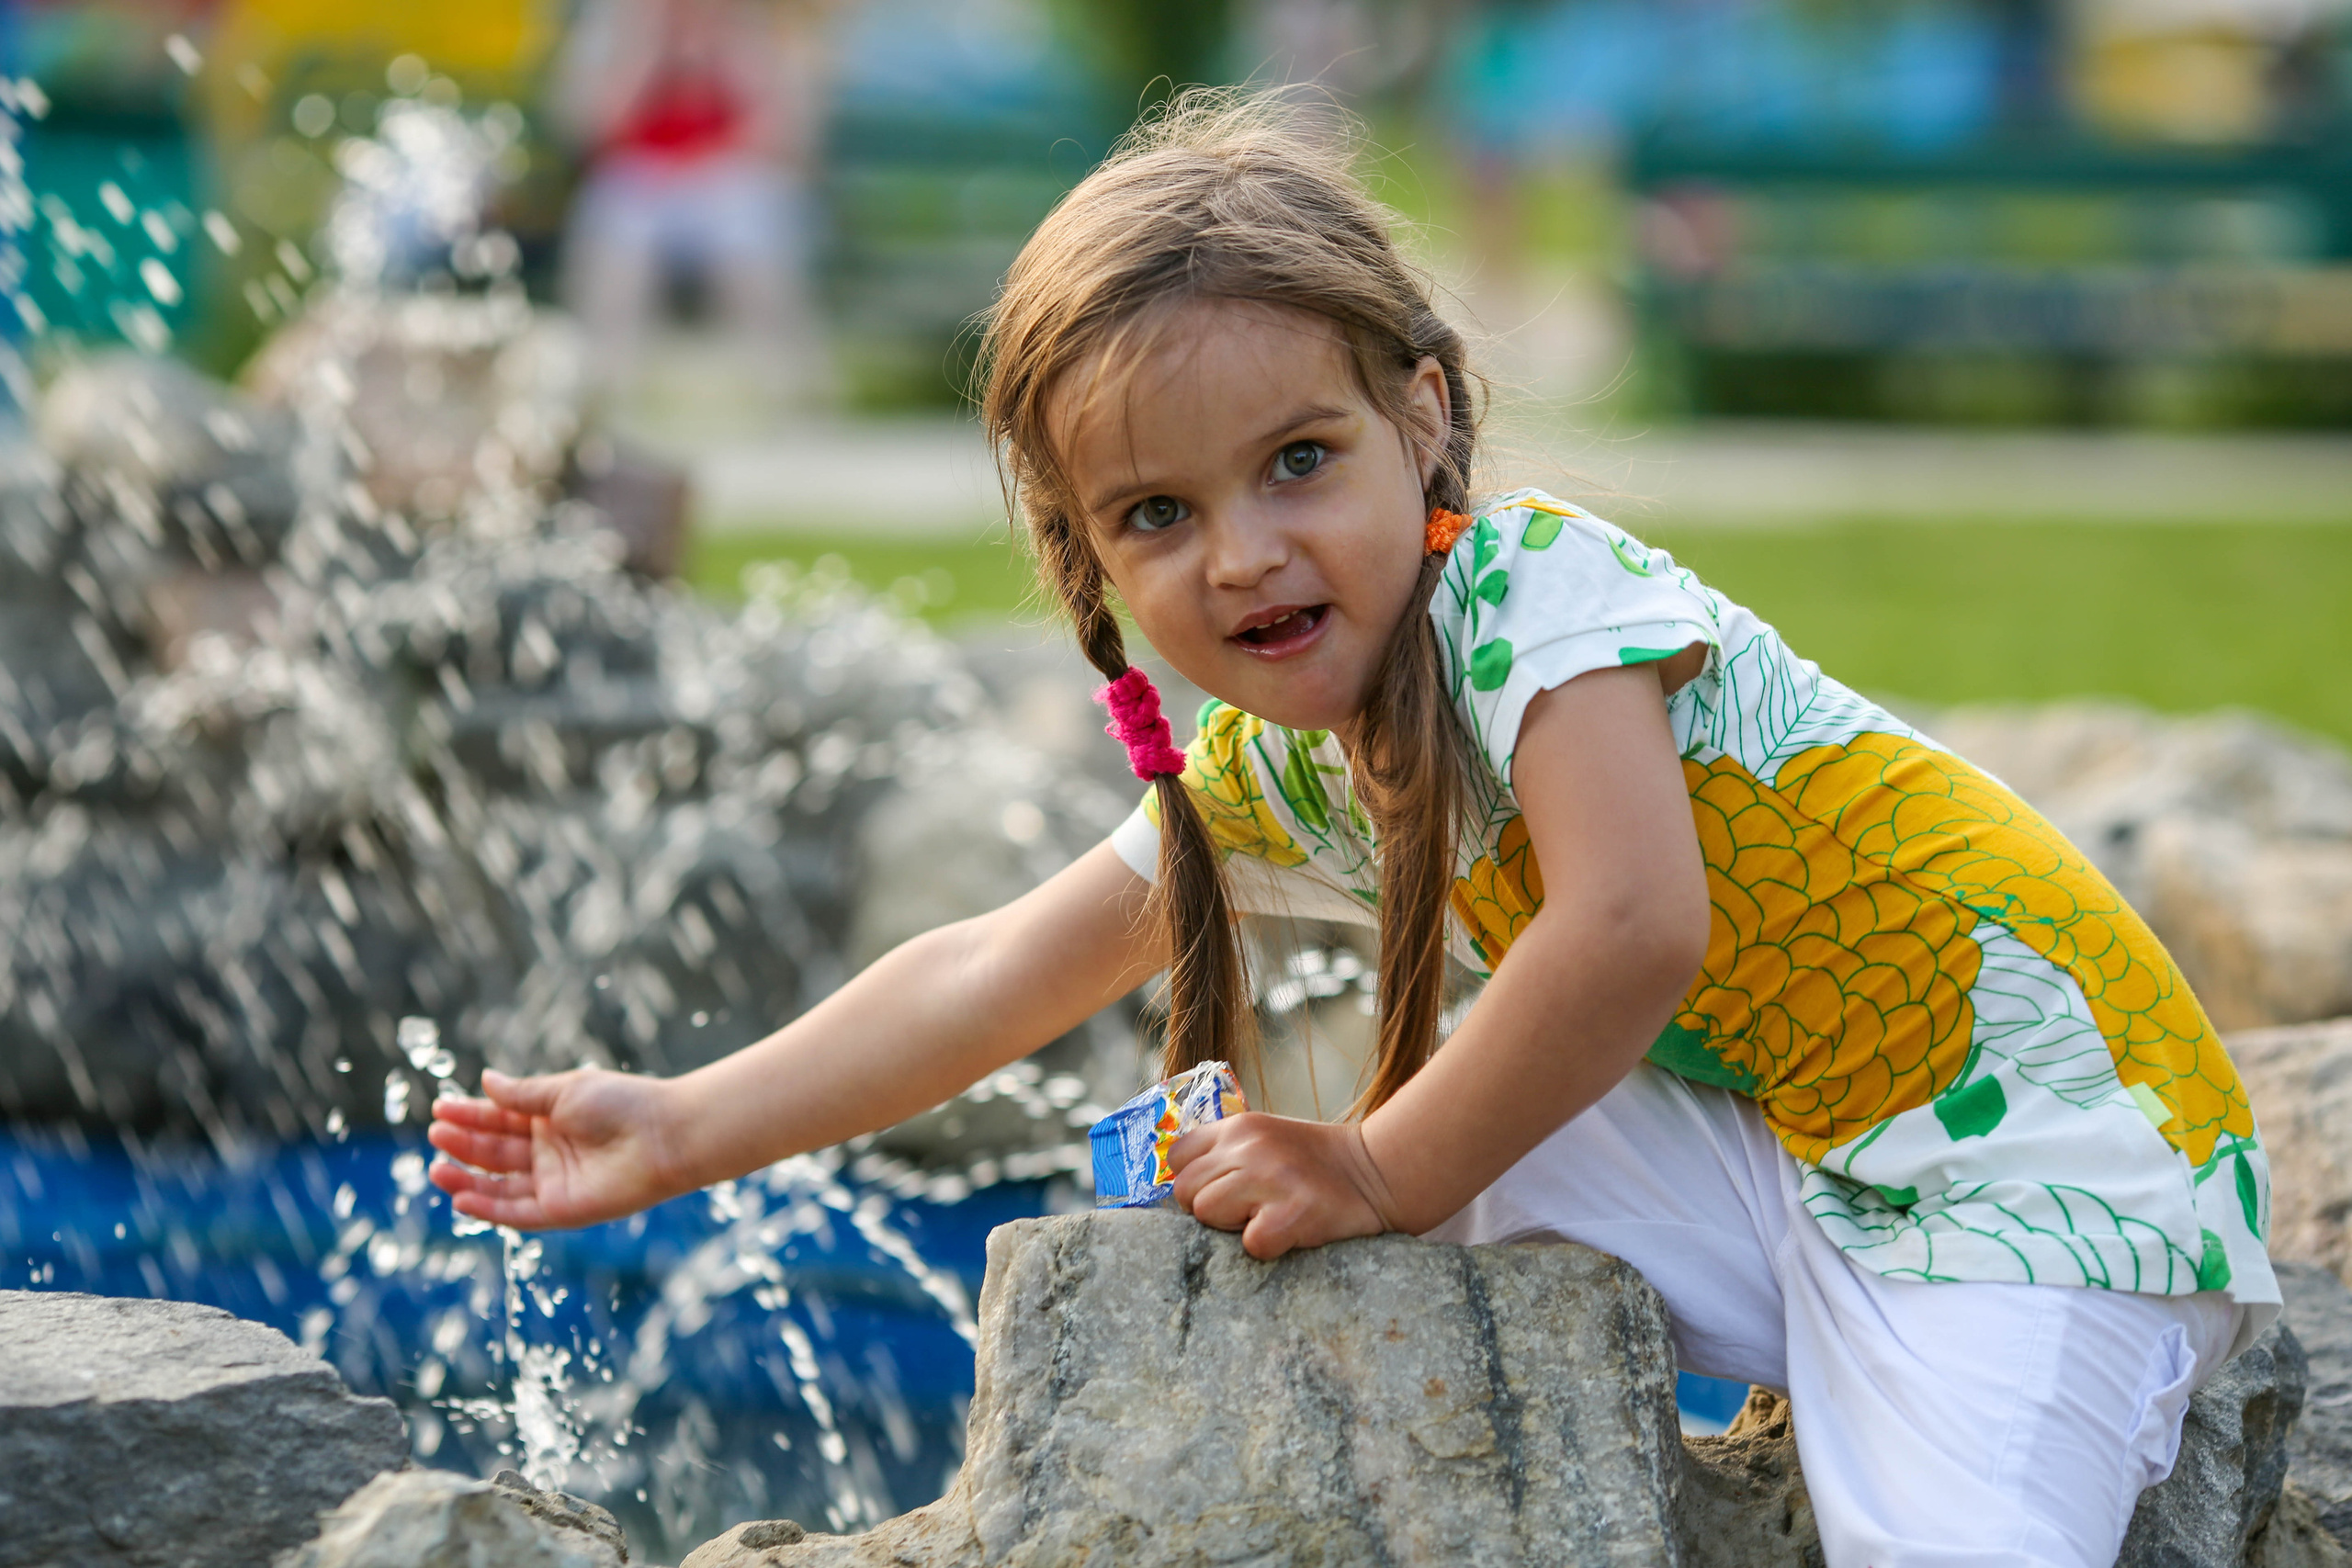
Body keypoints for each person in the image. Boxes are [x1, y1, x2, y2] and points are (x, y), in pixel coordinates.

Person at [430, 92, 2278, 1568]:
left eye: (1296, 461)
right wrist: (681, 1123)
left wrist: (1378, 1164)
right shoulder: (1293, 756)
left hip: (2034, 1159)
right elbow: (998, 962)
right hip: (1803, 1154)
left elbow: (1633, 928)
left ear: (1424, 418)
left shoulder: (1540, 598)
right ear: (1089, 562)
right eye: (1155, 511)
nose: (1239, 551)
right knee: (1405, 1165)